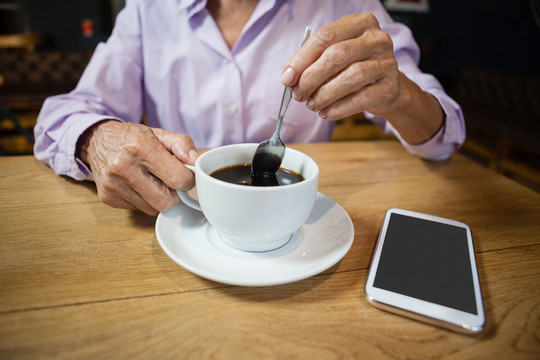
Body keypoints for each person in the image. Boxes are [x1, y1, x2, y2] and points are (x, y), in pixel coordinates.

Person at [34, 0, 465, 216]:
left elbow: (442, 140)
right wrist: (97, 140)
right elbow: (65, 114)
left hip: (301, 224)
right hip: (177, 217)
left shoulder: (339, 2)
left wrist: (400, 95)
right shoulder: (150, 9)